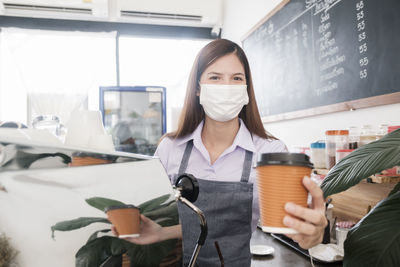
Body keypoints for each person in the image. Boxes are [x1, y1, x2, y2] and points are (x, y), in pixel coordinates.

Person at [112, 39, 327, 266]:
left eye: (236, 78)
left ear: (246, 90)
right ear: (197, 88)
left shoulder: (269, 152)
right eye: (215, 77)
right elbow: (195, 224)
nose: (226, 87)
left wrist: (311, 233)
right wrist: (161, 233)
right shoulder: (170, 148)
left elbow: (292, 222)